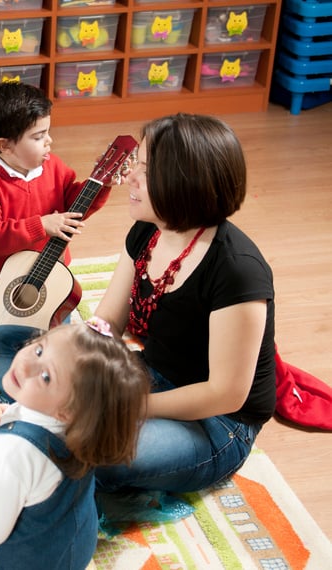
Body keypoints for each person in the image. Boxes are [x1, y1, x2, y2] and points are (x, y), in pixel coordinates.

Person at [91, 113, 277, 495]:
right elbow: (110, 319)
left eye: (144, 169)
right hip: (153, 374)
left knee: (100, 458)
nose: (128, 177)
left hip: (219, 422)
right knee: (13, 343)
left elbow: (225, 393)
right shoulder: (148, 229)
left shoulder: (237, 270)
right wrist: (75, 362)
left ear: (182, 181)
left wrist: (133, 407)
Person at [0, 319, 150, 569]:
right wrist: (11, 417)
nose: (26, 364)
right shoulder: (84, 428)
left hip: (15, 561)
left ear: (67, 412)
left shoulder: (11, 451)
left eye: (46, 377)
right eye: (39, 349)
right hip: (69, 550)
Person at [0, 81, 113, 312]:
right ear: (6, 146)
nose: (49, 141)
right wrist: (40, 225)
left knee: (60, 324)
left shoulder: (54, 167)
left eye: (47, 132)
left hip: (49, 269)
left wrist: (101, 185)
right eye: (39, 136)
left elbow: (74, 209)